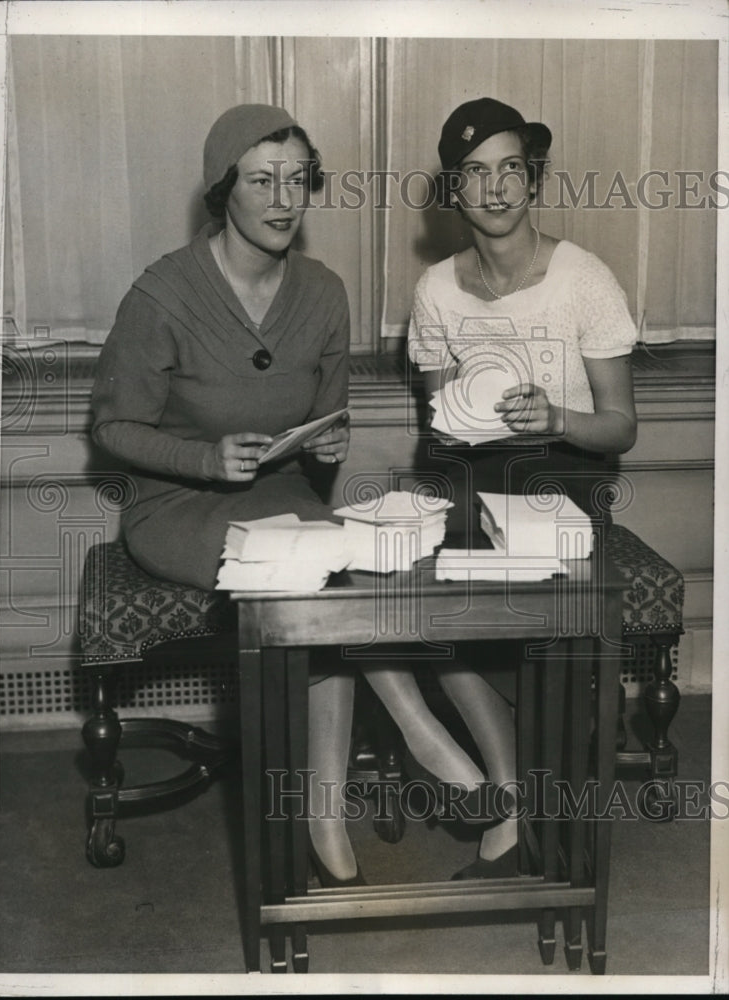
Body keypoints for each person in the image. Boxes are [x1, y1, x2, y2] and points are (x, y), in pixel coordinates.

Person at [91, 104, 359, 884]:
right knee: (302, 577)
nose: (283, 200)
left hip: (282, 496)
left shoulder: (324, 291)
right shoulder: (164, 293)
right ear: (223, 190)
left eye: (297, 180)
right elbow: (113, 427)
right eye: (261, 180)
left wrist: (328, 440)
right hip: (174, 506)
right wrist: (206, 458)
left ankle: (326, 809)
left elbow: (326, 417)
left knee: (340, 574)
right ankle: (331, 801)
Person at [398, 96, 638, 878]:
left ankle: (543, 790)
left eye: (510, 169)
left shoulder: (582, 279)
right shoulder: (435, 288)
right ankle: (509, 788)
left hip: (562, 478)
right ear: (453, 192)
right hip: (466, 480)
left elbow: (620, 427)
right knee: (403, 583)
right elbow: (438, 419)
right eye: (475, 173)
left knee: (511, 587)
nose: (495, 188)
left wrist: (553, 417)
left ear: (531, 180)